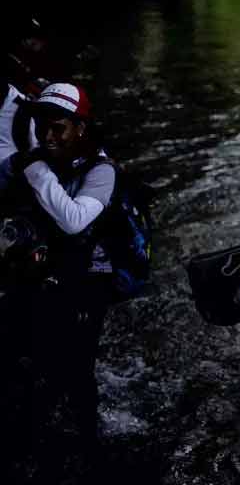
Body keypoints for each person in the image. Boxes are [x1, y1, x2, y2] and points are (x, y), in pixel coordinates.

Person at [0, 83, 116, 473]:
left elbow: (73, 220)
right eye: (41, 125)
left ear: (80, 128)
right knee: (20, 355)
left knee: (78, 369)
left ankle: (89, 446)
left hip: (87, 283)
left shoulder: (102, 171)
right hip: (36, 277)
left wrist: (34, 169)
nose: (48, 134)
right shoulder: (32, 159)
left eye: (58, 127)